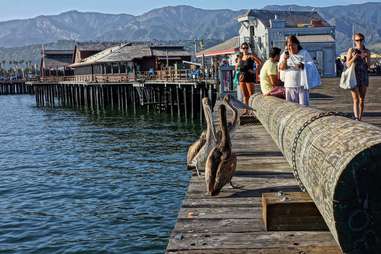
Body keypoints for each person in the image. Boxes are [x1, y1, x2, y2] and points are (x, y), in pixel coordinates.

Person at [279, 35, 312, 106]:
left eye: (293, 45)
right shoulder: (284, 55)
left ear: (297, 44)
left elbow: (311, 65)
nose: (291, 47)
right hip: (289, 85)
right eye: (289, 45)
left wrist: (302, 65)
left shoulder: (304, 53)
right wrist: (285, 59)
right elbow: (281, 68)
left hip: (302, 85)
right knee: (291, 107)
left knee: (304, 107)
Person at [346, 33, 370, 121]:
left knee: (362, 99)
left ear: (363, 40)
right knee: (355, 99)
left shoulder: (367, 51)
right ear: (354, 41)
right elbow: (347, 64)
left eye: (361, 40)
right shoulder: (351, 50)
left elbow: (369, 65)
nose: (359, 42)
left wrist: (366, 58)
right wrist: (354, 57)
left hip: (363, 75)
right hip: (354, 75)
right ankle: (356, 118)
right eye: (357, 40)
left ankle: (360, 117)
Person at [239, 42, 262, 114]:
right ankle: (246, 110)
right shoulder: (241, 57)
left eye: (246, 48)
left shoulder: (251, 56)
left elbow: (260, 62)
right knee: (245, 95)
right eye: (243, 48)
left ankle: (252, 110)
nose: (245, 49)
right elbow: (239, 67)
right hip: (242, 78)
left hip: (249, 77)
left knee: (251, 94)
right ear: (241, 49)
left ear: (248, 48)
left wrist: (255, 71)